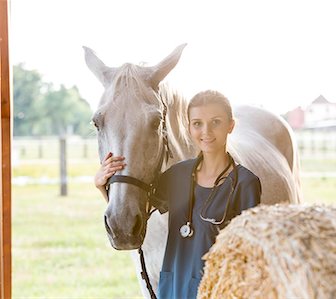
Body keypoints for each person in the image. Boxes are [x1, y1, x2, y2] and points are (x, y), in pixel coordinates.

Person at [95, 90, 261, 299]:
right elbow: (138, 214)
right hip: (174, 289)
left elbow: (250, 251)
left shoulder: (246, 183)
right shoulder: (178, 175)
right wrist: (102, 185)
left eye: (216, 122)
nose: (206, 132)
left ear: (231, 126)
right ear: (189, 128)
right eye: (197, 123)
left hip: (218, 289)